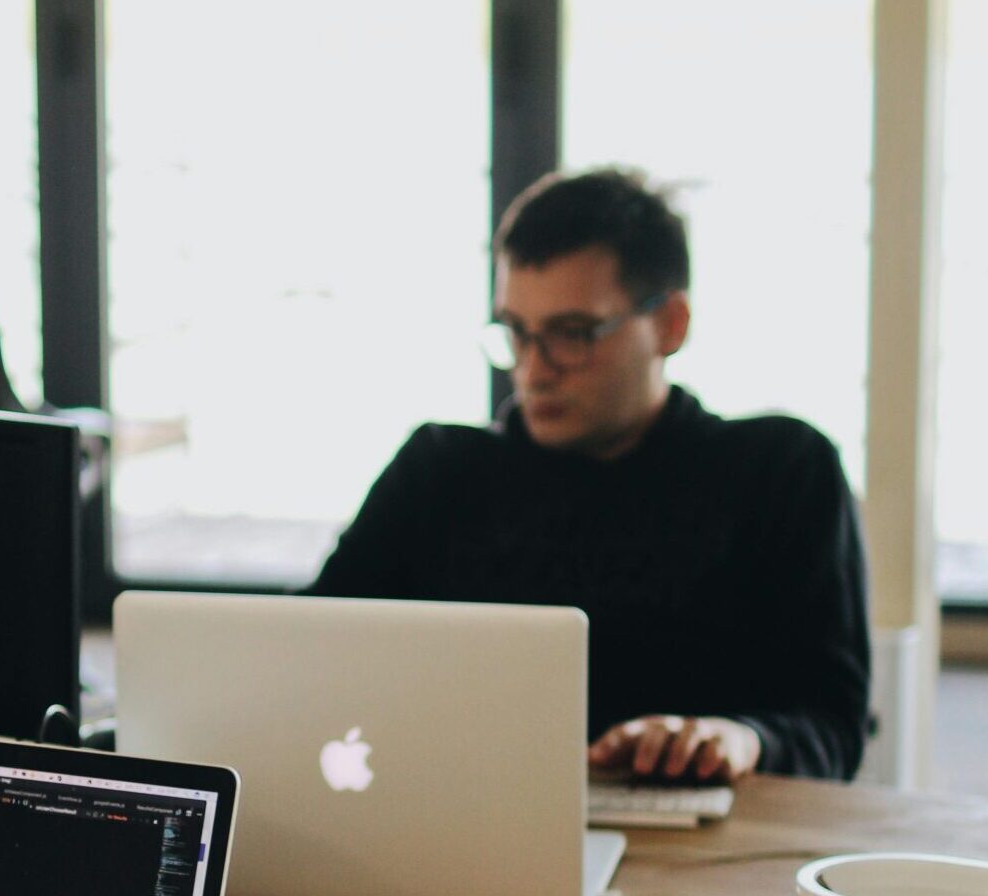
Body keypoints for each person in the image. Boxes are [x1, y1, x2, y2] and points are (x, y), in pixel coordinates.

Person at [308, 167, 871, 782]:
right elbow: (306, 656)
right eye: (517, 334)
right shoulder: (438, 472)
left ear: (670, 325)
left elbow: (832, 728)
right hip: (462, 832)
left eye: (572, 335)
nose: (533, 371)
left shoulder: (780, 473)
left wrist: (740, 739)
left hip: (706, 854)